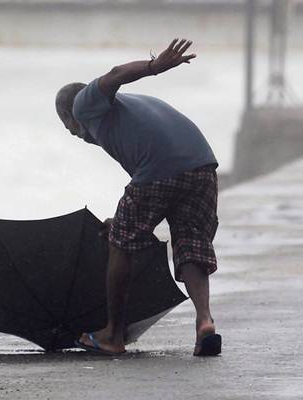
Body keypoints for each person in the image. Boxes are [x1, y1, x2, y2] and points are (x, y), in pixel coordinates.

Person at [55, 39, 221, 356]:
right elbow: (156, 190)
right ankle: (205, 323)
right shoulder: (131, 109)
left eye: (68, 127)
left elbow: (116, 73)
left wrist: (152, 67)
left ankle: (112, 336)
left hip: (161, 168)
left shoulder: (83, 104)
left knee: (121, 242)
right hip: (201, 165)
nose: (75, 134)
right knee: (191, 241)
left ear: (68, 115)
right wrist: (125, 219)